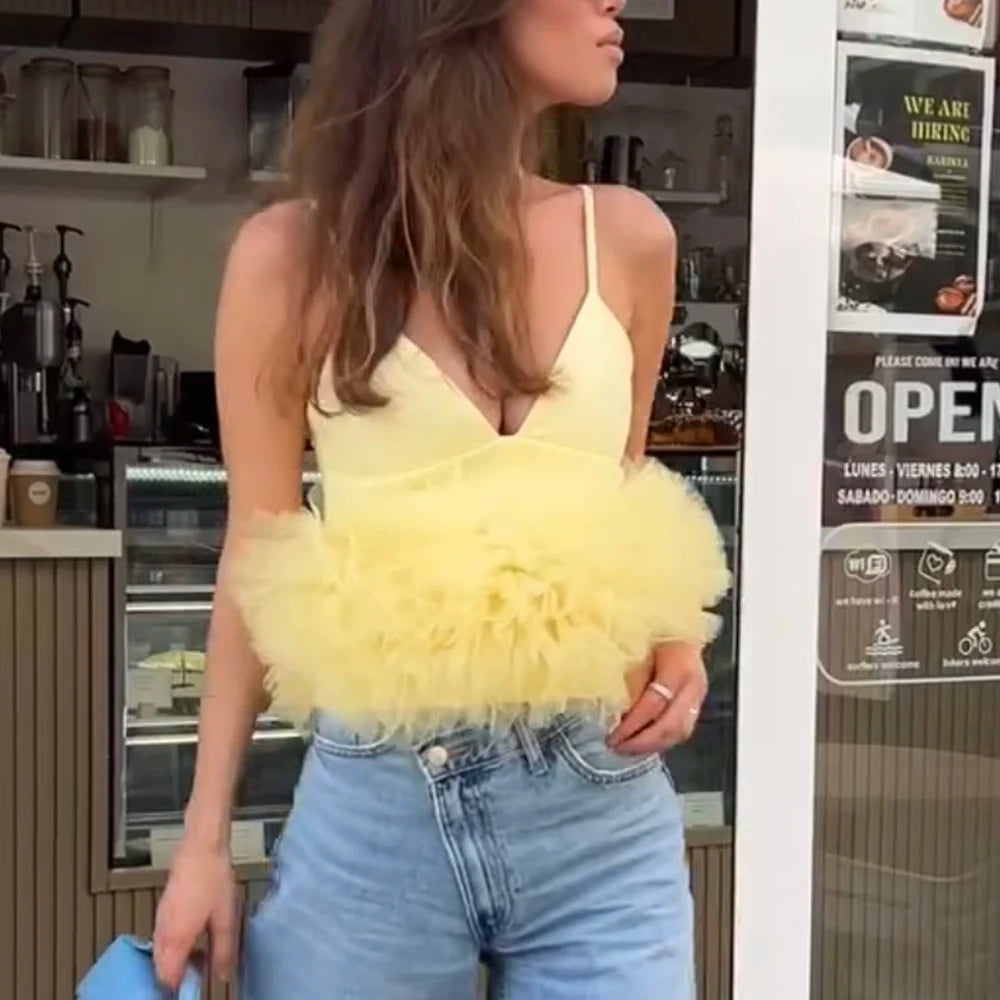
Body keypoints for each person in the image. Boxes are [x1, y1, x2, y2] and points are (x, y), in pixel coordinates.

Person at [153, 1, 729, 997]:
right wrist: (202, 846)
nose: (616, 3)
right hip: (376, 811)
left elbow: (627, 495)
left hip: (600, 808)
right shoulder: (292, 258)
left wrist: (675, 645)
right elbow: (259, 550)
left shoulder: (628, 235)